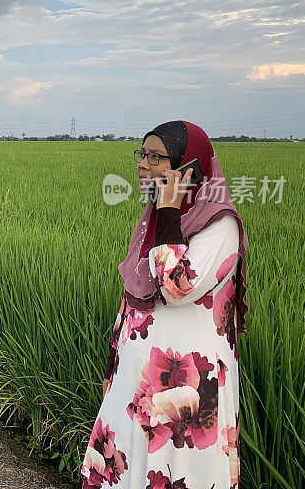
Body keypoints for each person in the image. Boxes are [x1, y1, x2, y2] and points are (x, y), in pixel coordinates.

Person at [80, 120, 248, 489]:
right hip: (143, 382)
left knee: (174, 471)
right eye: (143, 154)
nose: (142, 164)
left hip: (185, 394)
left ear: (192, 169)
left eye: (157, 157)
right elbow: (138, 294)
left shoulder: (219, 226)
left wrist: (170, 209)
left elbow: (175, 287)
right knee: (132, 460)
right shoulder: (158, 217)